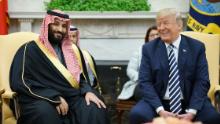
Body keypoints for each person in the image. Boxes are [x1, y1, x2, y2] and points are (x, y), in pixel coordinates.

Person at [10, 10, 109, 124]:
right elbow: (21, 81)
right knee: (45, 113)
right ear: (47, 25)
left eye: (63, 26)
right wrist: (53, 97)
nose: (60, 29)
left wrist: (87, 91)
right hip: (41, 97)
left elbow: (78, 78)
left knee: (95, 107)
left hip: (71, 96)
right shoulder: (29, 49)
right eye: (56, 24)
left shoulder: (69, 51)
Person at [129, 8, 220, 124]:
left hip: (190, 101)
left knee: (213, 118)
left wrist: (192, 111)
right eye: (159, 24)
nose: (161, 28)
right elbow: (145, 81)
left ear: (179, 25)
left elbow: (202, 81)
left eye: (165, 23)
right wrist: (160, 110)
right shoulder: (149, 49)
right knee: (137, 115)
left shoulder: (196, 48)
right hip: (158, 102)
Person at [117, 25, 158, 100]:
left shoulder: (167, 51)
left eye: (157, 35)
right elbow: (130, 70)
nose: (155, 37)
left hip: (160, 85)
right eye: (152, 35)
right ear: (147, 38)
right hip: (141, 83)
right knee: (143, 92)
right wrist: (143, 79)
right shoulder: (139, 51)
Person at [69, 25, 102, 94]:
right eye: (69, 36)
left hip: (85, 90)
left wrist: (87, 90)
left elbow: (90, 77)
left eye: (74, 36)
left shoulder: (85, 55)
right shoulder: (58, 54)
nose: (71, 39)